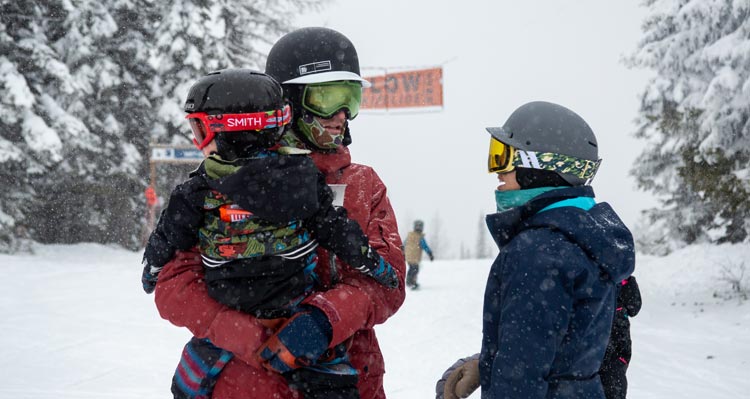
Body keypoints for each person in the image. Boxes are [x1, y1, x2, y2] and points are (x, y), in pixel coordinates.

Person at [152, 27, 406, 399]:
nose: (340, 115)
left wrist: (325, 318)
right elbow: (173, 284)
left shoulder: (361, 184)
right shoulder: (228, 180)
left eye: (350, 99)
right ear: (290, 101)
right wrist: (238, 330)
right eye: (327, 98)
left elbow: (389, 281)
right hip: (241, 383)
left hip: (345, 378)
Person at [436, 101, 635, 399]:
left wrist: (507, 371)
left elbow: (521, 380)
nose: (496, 173)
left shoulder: (537, 251)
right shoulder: (589, 241)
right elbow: (577, 351)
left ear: (539, 166)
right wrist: (490, 363)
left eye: (503, 158)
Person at [600, 275, 641, 399]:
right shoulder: (589, 272)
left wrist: (625, 282)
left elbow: (634, 307)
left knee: (613, 390)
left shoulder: (623, 278)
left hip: (616, 355)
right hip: (589, 351)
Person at [403, 219, 434, 290]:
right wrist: (430, 253)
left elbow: (404, 244)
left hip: (408, 256)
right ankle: (411, 283)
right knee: (415, 269)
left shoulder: (410, 235)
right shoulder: (420, 237)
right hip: (414, 257)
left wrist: (403, 252)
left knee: (412, 269)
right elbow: (425, 246)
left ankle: (409, 281)